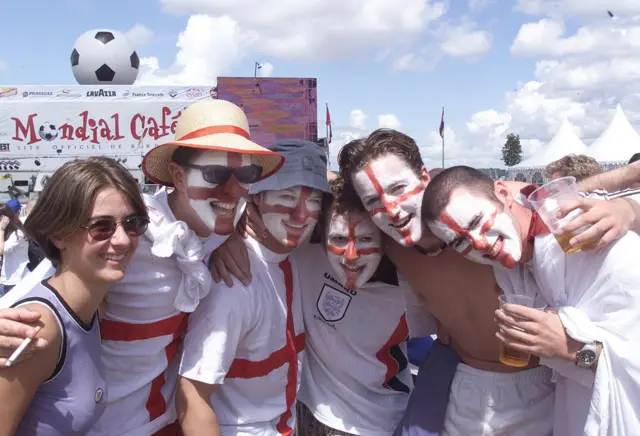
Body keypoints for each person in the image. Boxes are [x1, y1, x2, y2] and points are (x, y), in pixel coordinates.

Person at [0, 99, 284, 435]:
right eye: (216, 173)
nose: (234, 189)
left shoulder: (216, 225)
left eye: (246, 175)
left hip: (163, 423)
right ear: (177, 177)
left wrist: (232, 236)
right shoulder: (131, 232)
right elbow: (51, 287)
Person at [338, 130, 555, 435]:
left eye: (400, 188)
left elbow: (554, 200)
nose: (391, 209)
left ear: (425, 178)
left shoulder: (480, 224)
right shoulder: (388, 247)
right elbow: (317, 212)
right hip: (466, 388)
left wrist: (625, 209)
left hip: (547, 387)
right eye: (373, 200)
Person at [421, 165, 640, 435]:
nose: (479, 243)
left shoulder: (583, 234)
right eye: (459, 241)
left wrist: (574, 349)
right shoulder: (520, 268)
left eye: (477, 221)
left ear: (502, 193)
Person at [177, 139, 329, 435]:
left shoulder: (296, 258)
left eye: (313, 203)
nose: (300, 215)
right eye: (286, 197)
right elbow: (192, 397)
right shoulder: (233, 281)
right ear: (255, 199)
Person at [0, 156, 149, 435]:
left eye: (133, 223)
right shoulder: (39, 329)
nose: (123, 240)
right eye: (101, 227)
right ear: (58, 235)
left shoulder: (95, 307)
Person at [0, 199, 30, 296]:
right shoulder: (10, 231)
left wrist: (1, 230)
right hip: (7, 278)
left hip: (17, 278)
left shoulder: (18, 233)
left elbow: (2, 250)